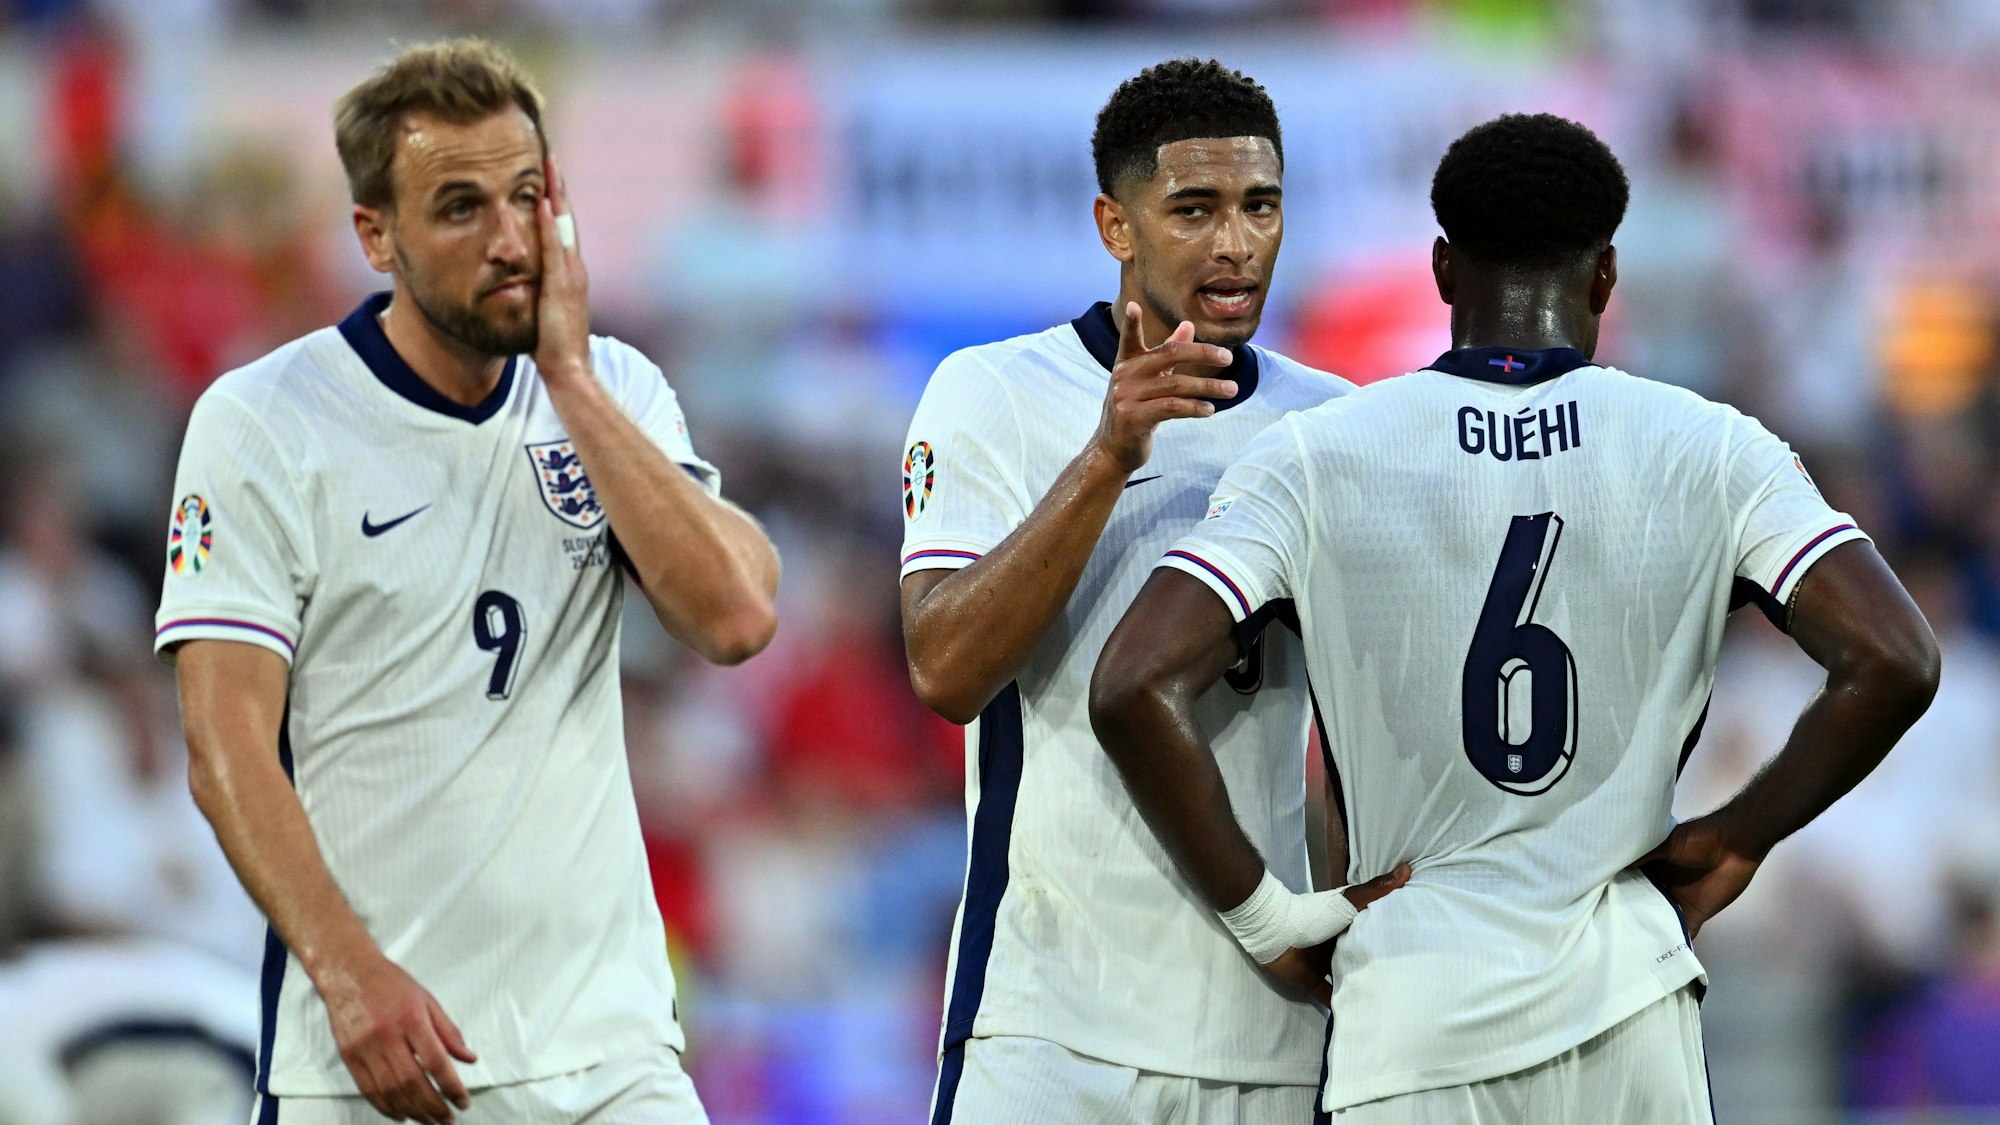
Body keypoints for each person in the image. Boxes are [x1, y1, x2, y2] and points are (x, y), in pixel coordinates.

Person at [1089, 113, 1940, 1124]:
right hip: (1625, 995)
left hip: (1414, 1004)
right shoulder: (1711, 448)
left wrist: (1266, 917)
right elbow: (1893, 656)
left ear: (1443, 269)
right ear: (1605, 278)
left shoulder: (1317, 457)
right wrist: (1735, 836)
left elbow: (1130, 683)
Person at [154, 39, 779, 1125]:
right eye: (458, 208)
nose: (507, 240)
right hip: (379, 1062)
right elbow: (225, 748)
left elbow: (734, 614)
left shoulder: (614, 384)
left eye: (527, 197)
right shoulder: (263, 422)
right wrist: (347, 975)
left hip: (611, 1055)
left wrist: (571, 379)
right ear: (375, 236)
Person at [898, 58, 1403, 1125]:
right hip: (1047, 1026)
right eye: (1193, 209)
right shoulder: (993, 391)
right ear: (1112, 226)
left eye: (1260, 206)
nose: (1233, 243)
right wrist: (1107, 456)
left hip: (1266, 1025)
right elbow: (943, 669)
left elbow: (1364, 727)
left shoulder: (1339, 425)